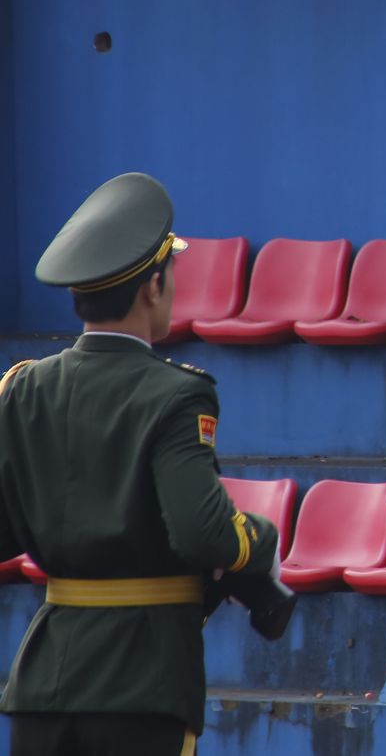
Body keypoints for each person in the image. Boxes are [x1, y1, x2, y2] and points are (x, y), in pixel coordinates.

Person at [0, 173, 294, 756]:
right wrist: (260, 543)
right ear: (153, 287)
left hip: (43, 684)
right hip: (143, 683)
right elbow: (202, 532)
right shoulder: (176, 395)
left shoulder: (22, 389)